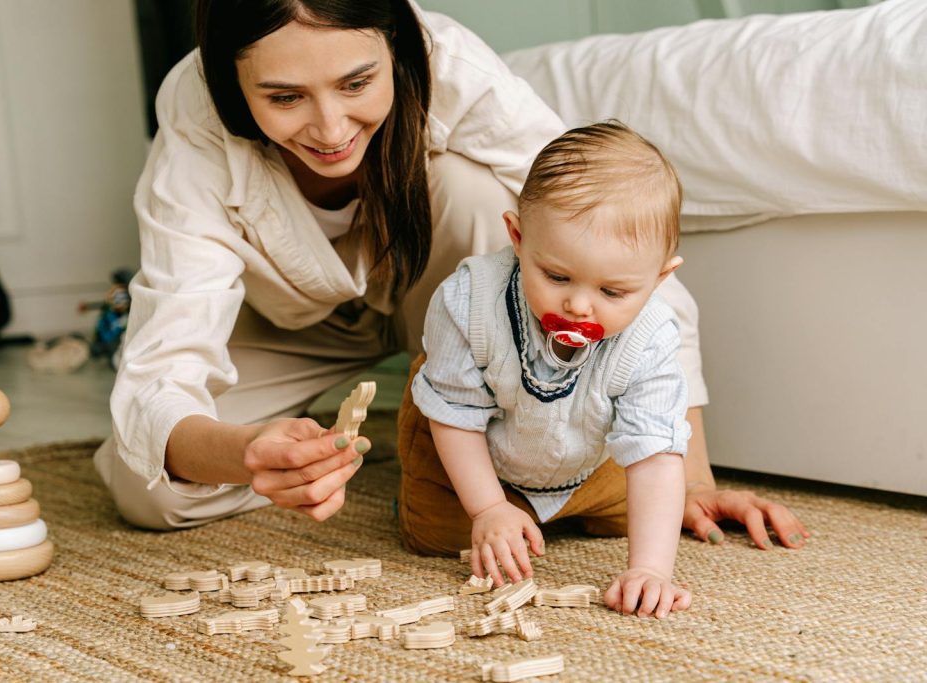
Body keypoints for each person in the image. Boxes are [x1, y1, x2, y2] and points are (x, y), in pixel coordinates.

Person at [92, 0, 808, 555]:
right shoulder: (195, 124)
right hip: (286, 324)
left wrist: (694, 479)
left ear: (396, 51)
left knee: (476, 191)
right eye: (284, 98)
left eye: (357, 83)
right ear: (230, 85)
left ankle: (490, 448)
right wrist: (245, 454)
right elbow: (160, 379)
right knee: (154, 492)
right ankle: (411, 439)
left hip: (448, 297)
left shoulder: (453, 68)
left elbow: (618, 254)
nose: (331, 127)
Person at [400, 122, 694, 617]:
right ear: (517, 236)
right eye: (556, 276)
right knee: (434, 535)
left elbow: (655, 451)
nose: (579, 305)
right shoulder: (467, 301)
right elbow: (455, 414)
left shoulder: (654, 336)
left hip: (585, 459)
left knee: (645, 509)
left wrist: (651, 569)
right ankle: (489, 505)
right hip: (467, 441)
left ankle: (557, 511)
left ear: (660, 277)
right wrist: (489, 509)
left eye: (613, 292)